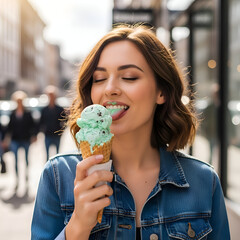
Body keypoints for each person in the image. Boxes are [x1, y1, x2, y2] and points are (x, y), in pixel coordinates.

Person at [31, 25, 230, 239]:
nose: (109, 89)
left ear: (161, 91)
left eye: (129, 77)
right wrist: (78, 226)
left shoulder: (203, 181)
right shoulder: (58, 176)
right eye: (99, 79)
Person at [4, 91, 37, 188]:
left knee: (26, 159)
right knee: (15, 160)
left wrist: (34, 136)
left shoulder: (28, 113)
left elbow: (33, 126)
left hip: (25, 139)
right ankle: (17, 179)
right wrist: (6, 139)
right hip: (15, 139)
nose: (19, 103)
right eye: (17, 101)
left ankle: (26, 177)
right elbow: (9, 128)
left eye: (20, 101)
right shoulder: (13, 113)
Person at [39, 85, 65, 161]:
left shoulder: (59, 109)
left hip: (57, 134)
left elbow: (65, 121)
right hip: (47, 134)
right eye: (49, 95)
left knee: (57, 154)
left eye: (52, 95)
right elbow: (41, 122)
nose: (51, 97)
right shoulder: (44, 109)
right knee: (47, 155)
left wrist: (62, 130)